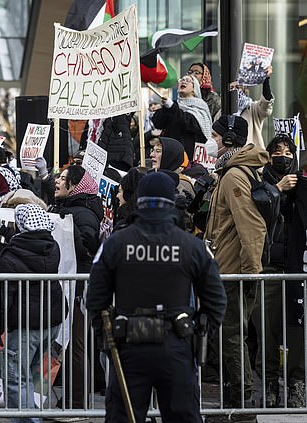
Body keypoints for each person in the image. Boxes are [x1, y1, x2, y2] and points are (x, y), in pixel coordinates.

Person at [87, 171, 227, 423]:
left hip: (128, 346)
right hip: (176, 345)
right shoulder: (191, 246)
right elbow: (216, 301)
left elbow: (95, 298)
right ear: (171, 202)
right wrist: (198, 335)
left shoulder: (117, 243)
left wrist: (106, 338)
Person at [204, 115, 269, 422]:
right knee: (227, 336)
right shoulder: (231, 173)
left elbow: (251, 227)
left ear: (228, 141)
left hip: (232, 273)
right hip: (226, 270)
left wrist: (249, 274)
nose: (211, 142)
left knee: (231, 337)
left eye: (215, 137)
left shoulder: (233, 177)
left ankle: (241, 406)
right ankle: (235, 402)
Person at [0, 203, 67, 423]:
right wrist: (4, 231)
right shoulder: (52, 247)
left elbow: (1, 297)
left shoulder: (11, 258)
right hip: (50, 323)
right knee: (26, 374)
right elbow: (30, 242)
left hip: (25, 326)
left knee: (16, 379)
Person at [48, 165, 104, 408]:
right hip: (70, 286)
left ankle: (77, 401)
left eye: (63, 178)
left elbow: (87, 249)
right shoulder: (71, 209)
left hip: (79, 287)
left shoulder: (83, 214)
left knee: (76, 344)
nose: (57, 182)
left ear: (74, 186)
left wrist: (67, 232)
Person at [256, 134, 304, 407]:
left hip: (296, 266)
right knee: (267, 328)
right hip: (269, 265)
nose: (282, 156)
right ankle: (270, 384)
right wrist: (277, 188)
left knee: (297, 327)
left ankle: (298, 383)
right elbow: (256, 210)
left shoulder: (302, 185)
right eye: (277, 151)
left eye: (288, 152)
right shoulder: (261, 183)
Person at [152, 74, 214, 161]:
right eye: (181, 80)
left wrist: (172, 107)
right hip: (169, 153)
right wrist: (166, 108)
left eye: (188, 81)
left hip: (189, 156)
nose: (183, 81)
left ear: (194, 89)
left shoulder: (200, 106)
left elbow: (191, 123)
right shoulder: (172, 105)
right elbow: (158, 123)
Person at [232, 66, 274, 150]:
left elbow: (266, 103)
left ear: (245, 88)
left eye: (238, 87)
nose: (236, 91)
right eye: (232, 88)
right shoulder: (223, 110)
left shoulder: (253, 108)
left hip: (250, 157)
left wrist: (265, 80)